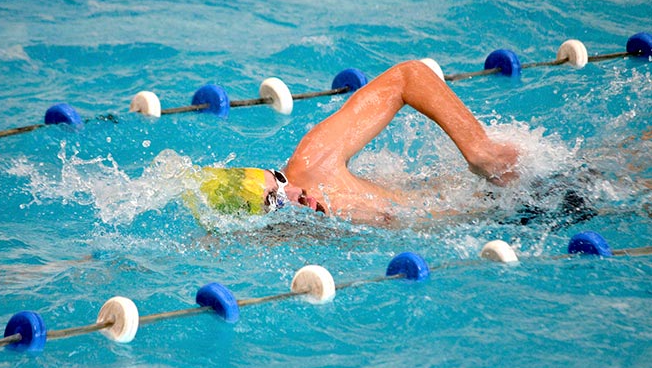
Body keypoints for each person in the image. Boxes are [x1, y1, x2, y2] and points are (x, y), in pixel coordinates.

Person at [184, 60, 520, 225]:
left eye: (279, 180)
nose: (295, 194)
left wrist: (480, 150)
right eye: (274, 203)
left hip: (514, 194)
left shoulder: (312, 163)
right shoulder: (281, 241)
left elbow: (408, 77)